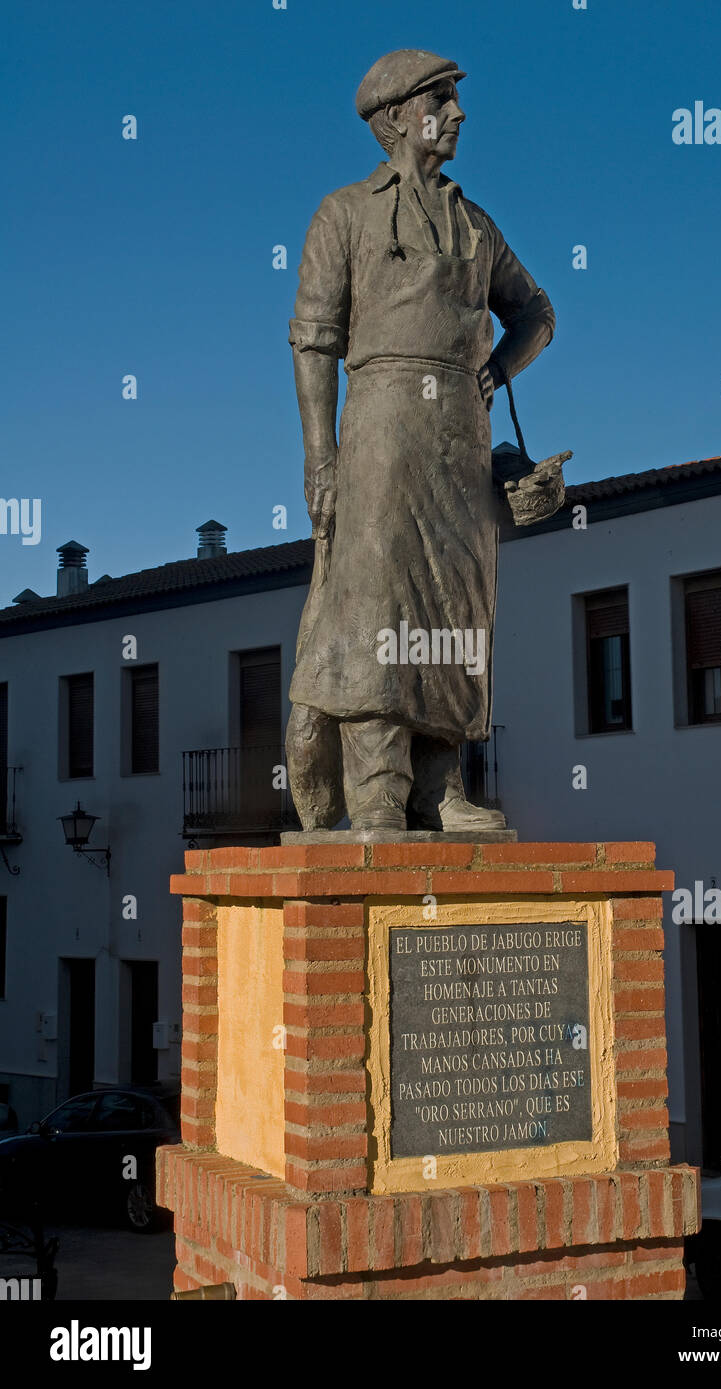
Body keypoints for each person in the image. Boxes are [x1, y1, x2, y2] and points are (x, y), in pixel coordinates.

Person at [286, 49, 555, 832]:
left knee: (456, 603)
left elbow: (536, 313)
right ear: (398, 116)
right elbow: (312, 340)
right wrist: (319, 459)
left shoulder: (475, 225)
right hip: (381, 423)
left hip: (460, 437)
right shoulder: (345, 214)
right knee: (376, 593)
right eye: (443, 98)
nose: (459, 113)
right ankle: (375, 787)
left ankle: (440, 787)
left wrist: (494, 372)